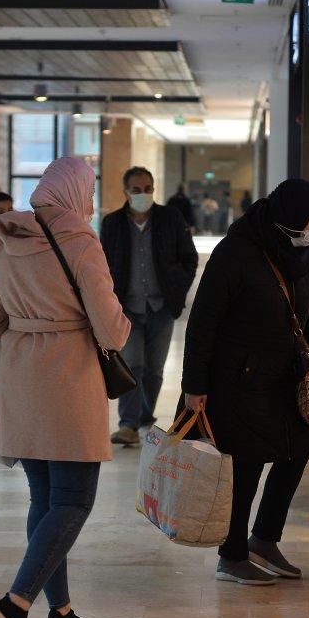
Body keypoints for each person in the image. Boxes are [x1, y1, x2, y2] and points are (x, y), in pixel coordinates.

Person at [0, 157, 130, 618]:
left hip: (22, 381)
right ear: (77, 193)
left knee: (44, 500)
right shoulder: (82, 242)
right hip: (69, 378)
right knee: (74, 500)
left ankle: (59, 612)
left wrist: (29, 321)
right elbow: (110, 330)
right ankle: (15, 605)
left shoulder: (7, 237)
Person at [181, 178, 309, 585]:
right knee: (246, 465)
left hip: (285, 377)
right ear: (290, 216)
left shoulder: (302, 253)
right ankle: (232, 553)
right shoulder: (238, 252)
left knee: (297, 452)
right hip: (237, 379)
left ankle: (264, 538)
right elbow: (202, 323)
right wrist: (195, 385)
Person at [100, 166, 198, 446]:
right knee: (132, 365)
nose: (143, 194)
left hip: (161, 307)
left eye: (148, 189)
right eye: (136, 190)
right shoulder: (113, 224)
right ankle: (127, 424)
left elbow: (188, 258)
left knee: (154, 368)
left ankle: (145, 417)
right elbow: (102, 264)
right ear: (126, 192)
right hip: (127, 308)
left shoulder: (170, 218)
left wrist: (177, 289)